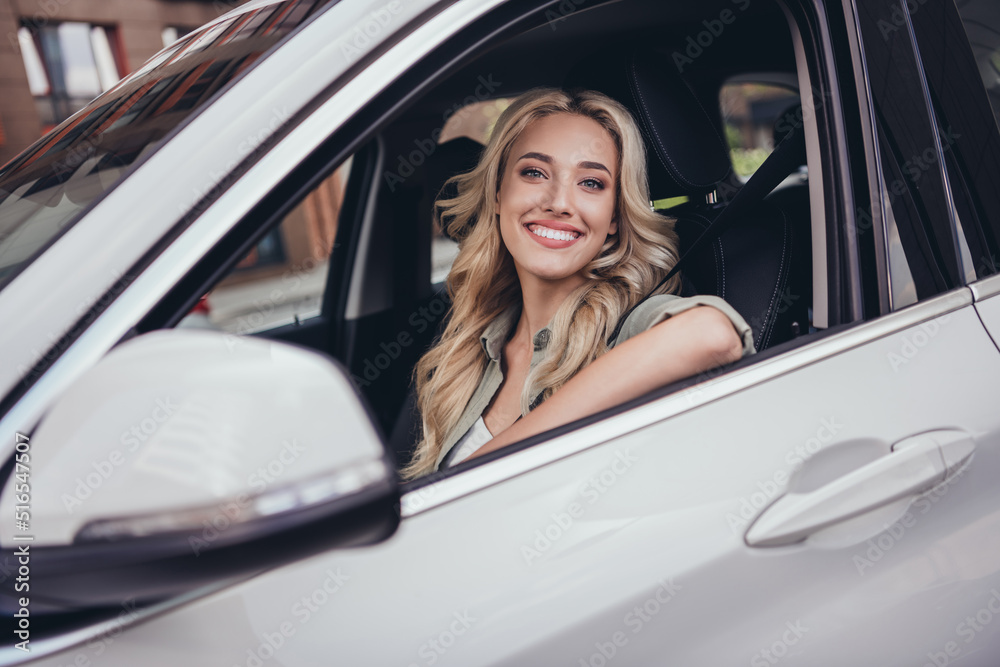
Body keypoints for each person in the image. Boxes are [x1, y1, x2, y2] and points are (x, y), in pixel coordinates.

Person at [401, 88, 755, 480]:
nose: (559, 202)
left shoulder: (627, 328)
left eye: (591, 183)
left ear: (616, 217)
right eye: (534, 173)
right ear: (498, 193)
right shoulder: (473, 342)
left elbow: (712, 335)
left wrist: (477, 472)